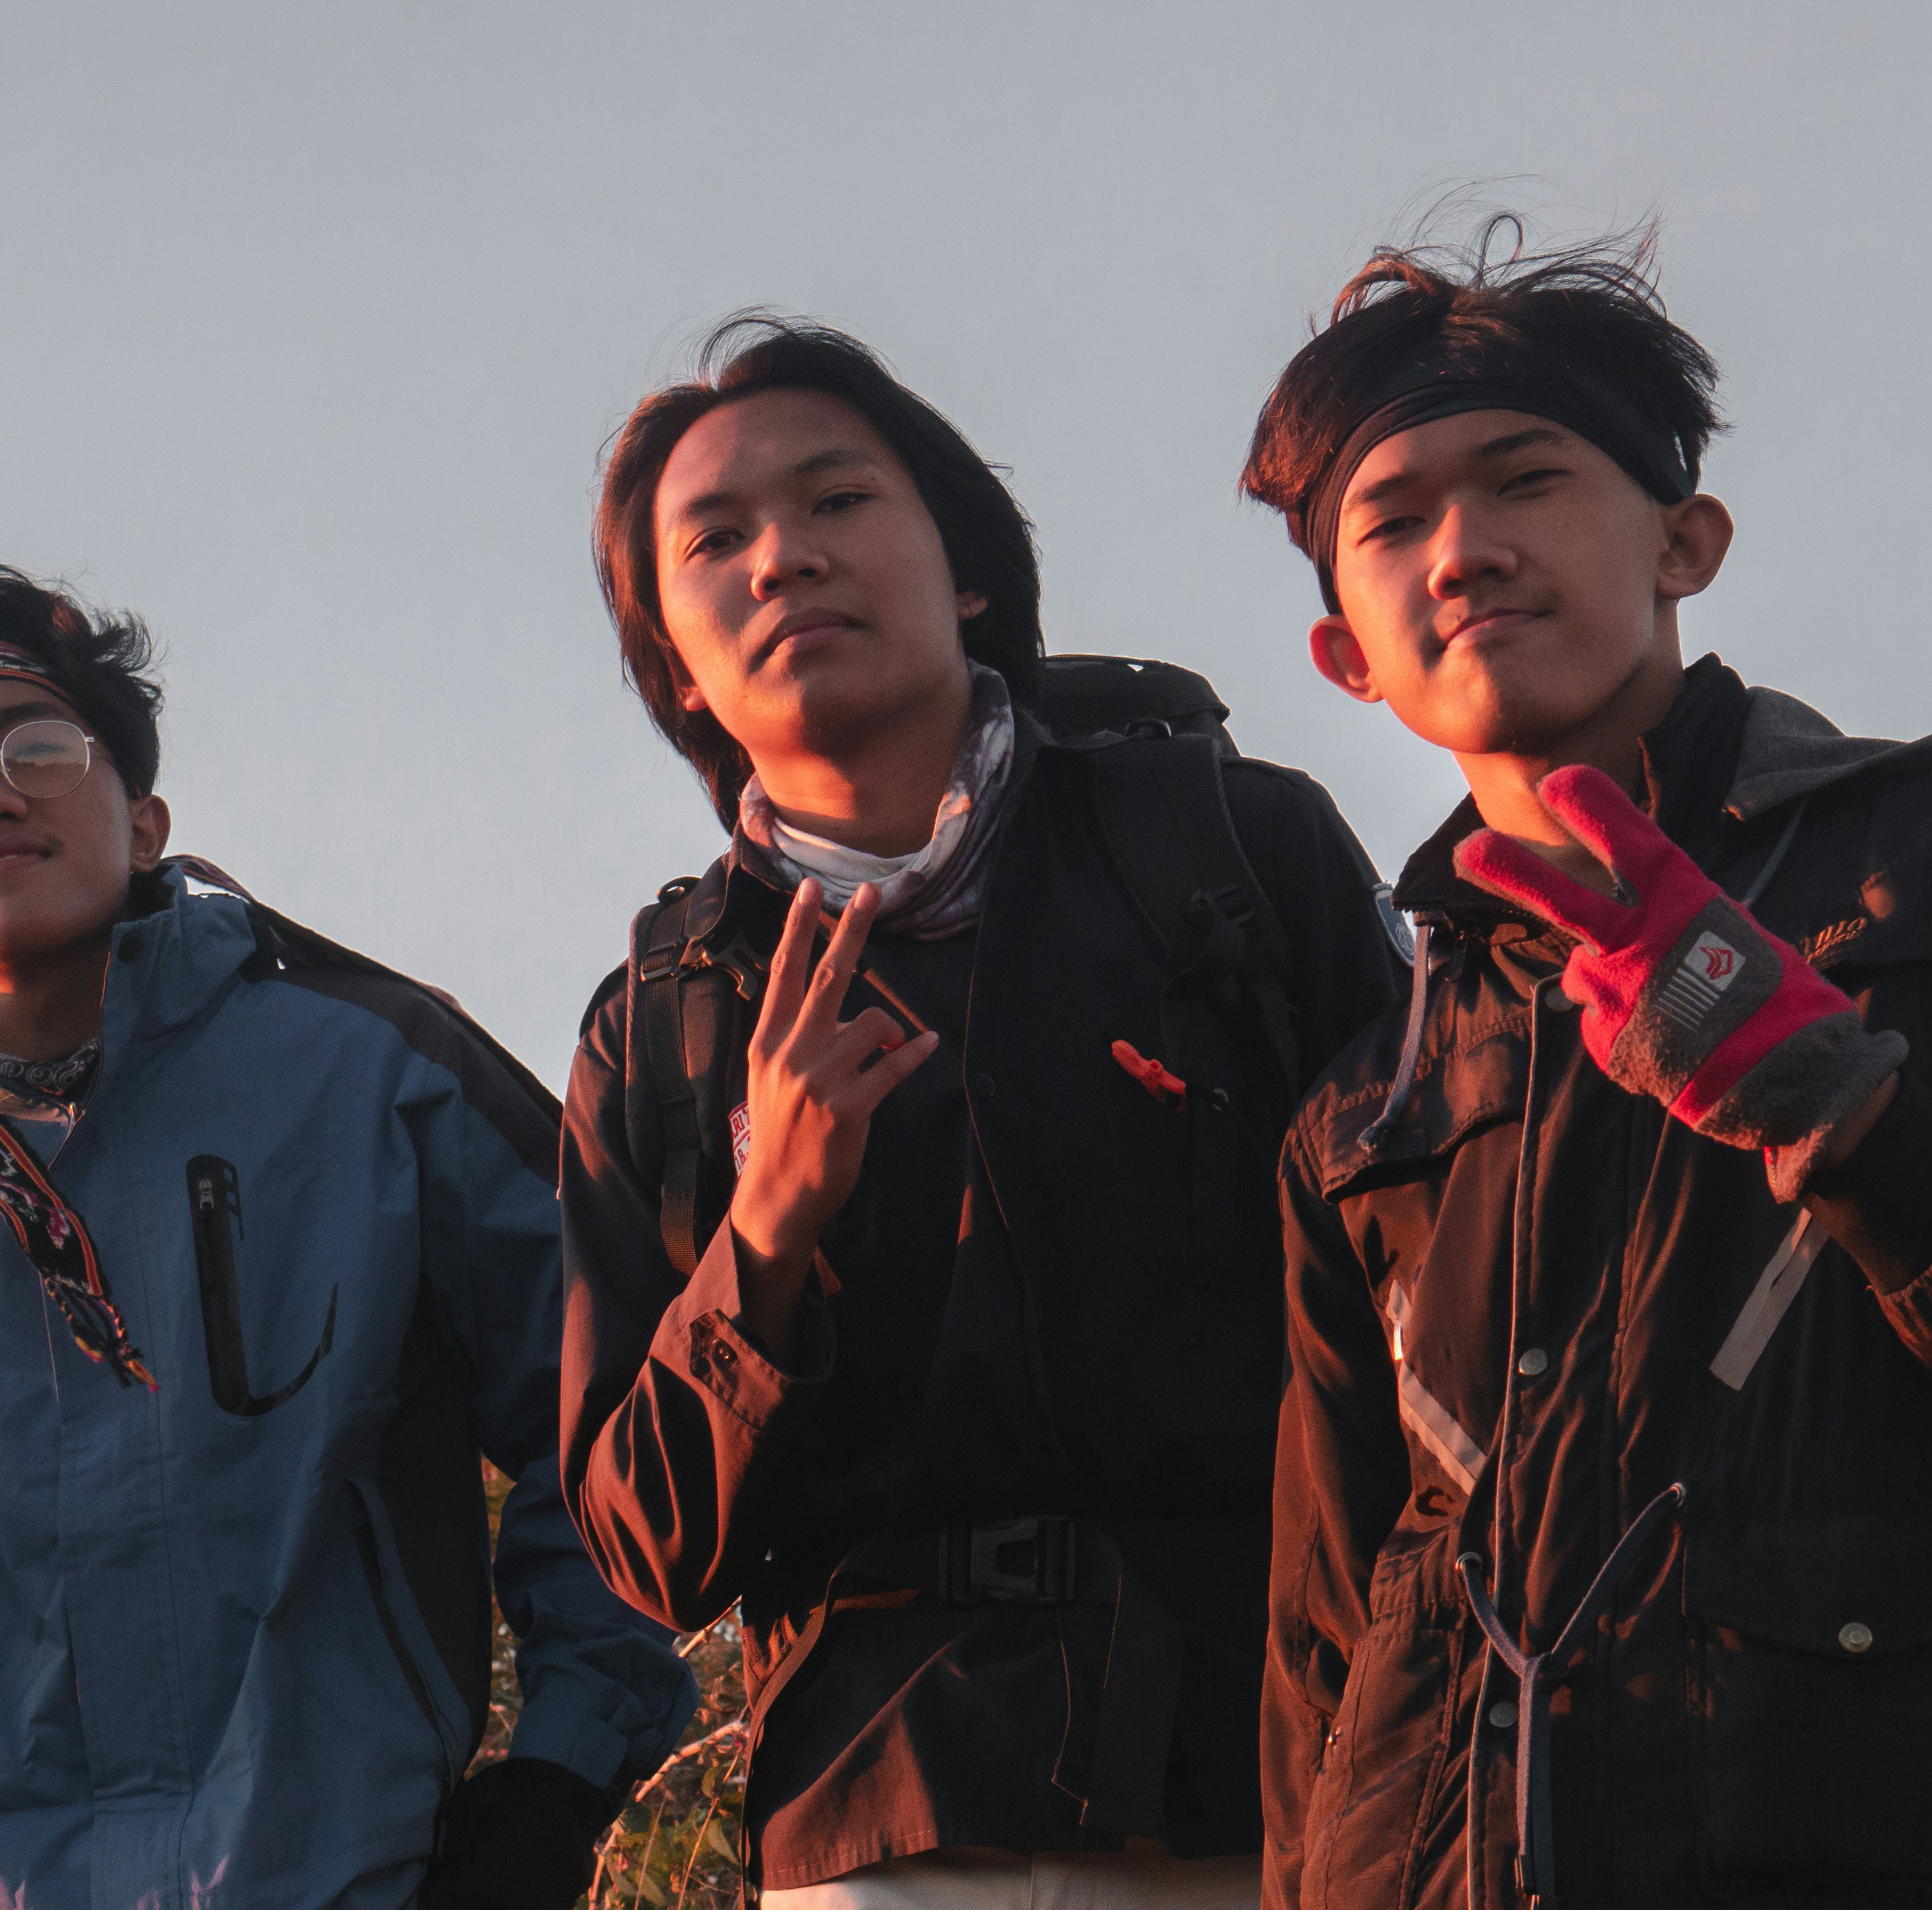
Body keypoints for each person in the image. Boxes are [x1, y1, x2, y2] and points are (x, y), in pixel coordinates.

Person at [1245, 228, 1932, 1909]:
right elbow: (1318, 1664)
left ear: (1684, 541)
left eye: (1524, 478)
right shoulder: (1358, 1105)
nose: (1462, 549)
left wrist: (1846, 1110)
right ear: (1344, 655)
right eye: (1390, 520)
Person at [0, 566, 695, 1910]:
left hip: (347, 1876)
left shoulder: (375, 1067)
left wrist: (560, 1774)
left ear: (143, 819)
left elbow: (609, 1418)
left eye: (40, 746)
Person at [554, 320, 1405, 1909]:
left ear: (967, 576)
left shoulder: (1227, 851)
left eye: (837, 502)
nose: (785, 559)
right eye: (716, 540)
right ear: (677, 663)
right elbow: (644, 1549)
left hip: (1268, 1786)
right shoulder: (667, 1017)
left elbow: (1439, 1300)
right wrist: (767, 1233)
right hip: (882, 1822)